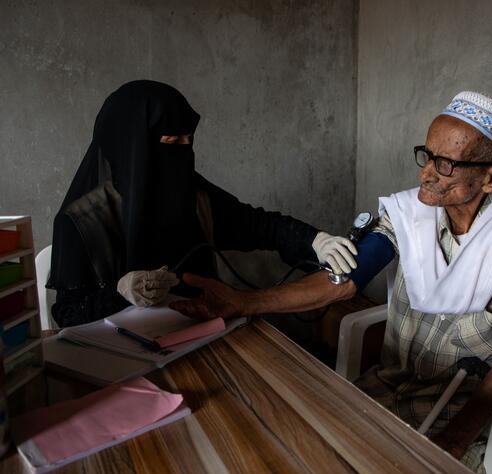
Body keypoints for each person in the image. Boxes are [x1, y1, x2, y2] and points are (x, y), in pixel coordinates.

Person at [169, 91, 492, 474]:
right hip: (387, 385)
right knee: (291, 442)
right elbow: (342, 283)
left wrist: (453, 442)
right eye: (427, 156)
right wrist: (243, 303)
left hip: (460, 409)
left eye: (444, 164)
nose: (425, 174)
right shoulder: (412, 215)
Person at [47, 80, 357, 328]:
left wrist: (316, 240)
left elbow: (258, 225)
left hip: (198, 330)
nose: (183, 153)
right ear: (133, 148)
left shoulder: (191, 192)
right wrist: (119, 293)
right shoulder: (80, 222)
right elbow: (67, 314)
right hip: (115, 357)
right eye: (171, 143)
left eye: (188, 141)